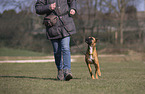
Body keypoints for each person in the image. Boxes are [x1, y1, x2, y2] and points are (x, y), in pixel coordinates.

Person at [35, 0, 77, 81]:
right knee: (57, 52)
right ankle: (60, 70)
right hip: (52, 27)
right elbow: (38, 9)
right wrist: (48, 7)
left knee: (66, 48)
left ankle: (67, 71)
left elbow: (72, 1)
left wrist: (73, 8)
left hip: (66, 24)